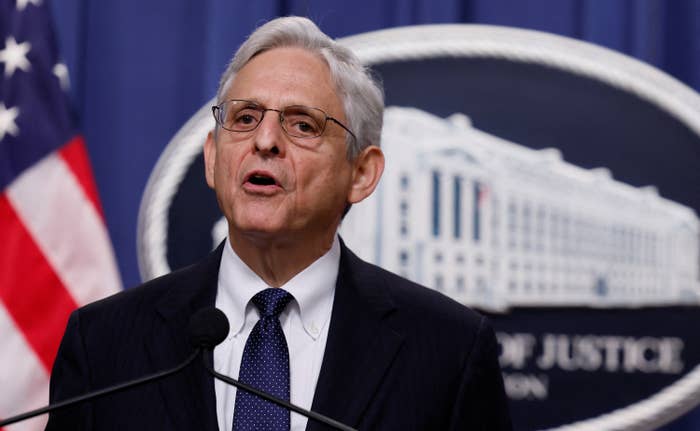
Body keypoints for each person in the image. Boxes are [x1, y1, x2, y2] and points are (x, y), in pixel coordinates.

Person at [47, 16, 512, 431]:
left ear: (362, 173)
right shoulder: (105, 344)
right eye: (245, 118)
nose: (265, 141)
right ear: (212, 158)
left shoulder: (448, 351)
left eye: (303, 125)